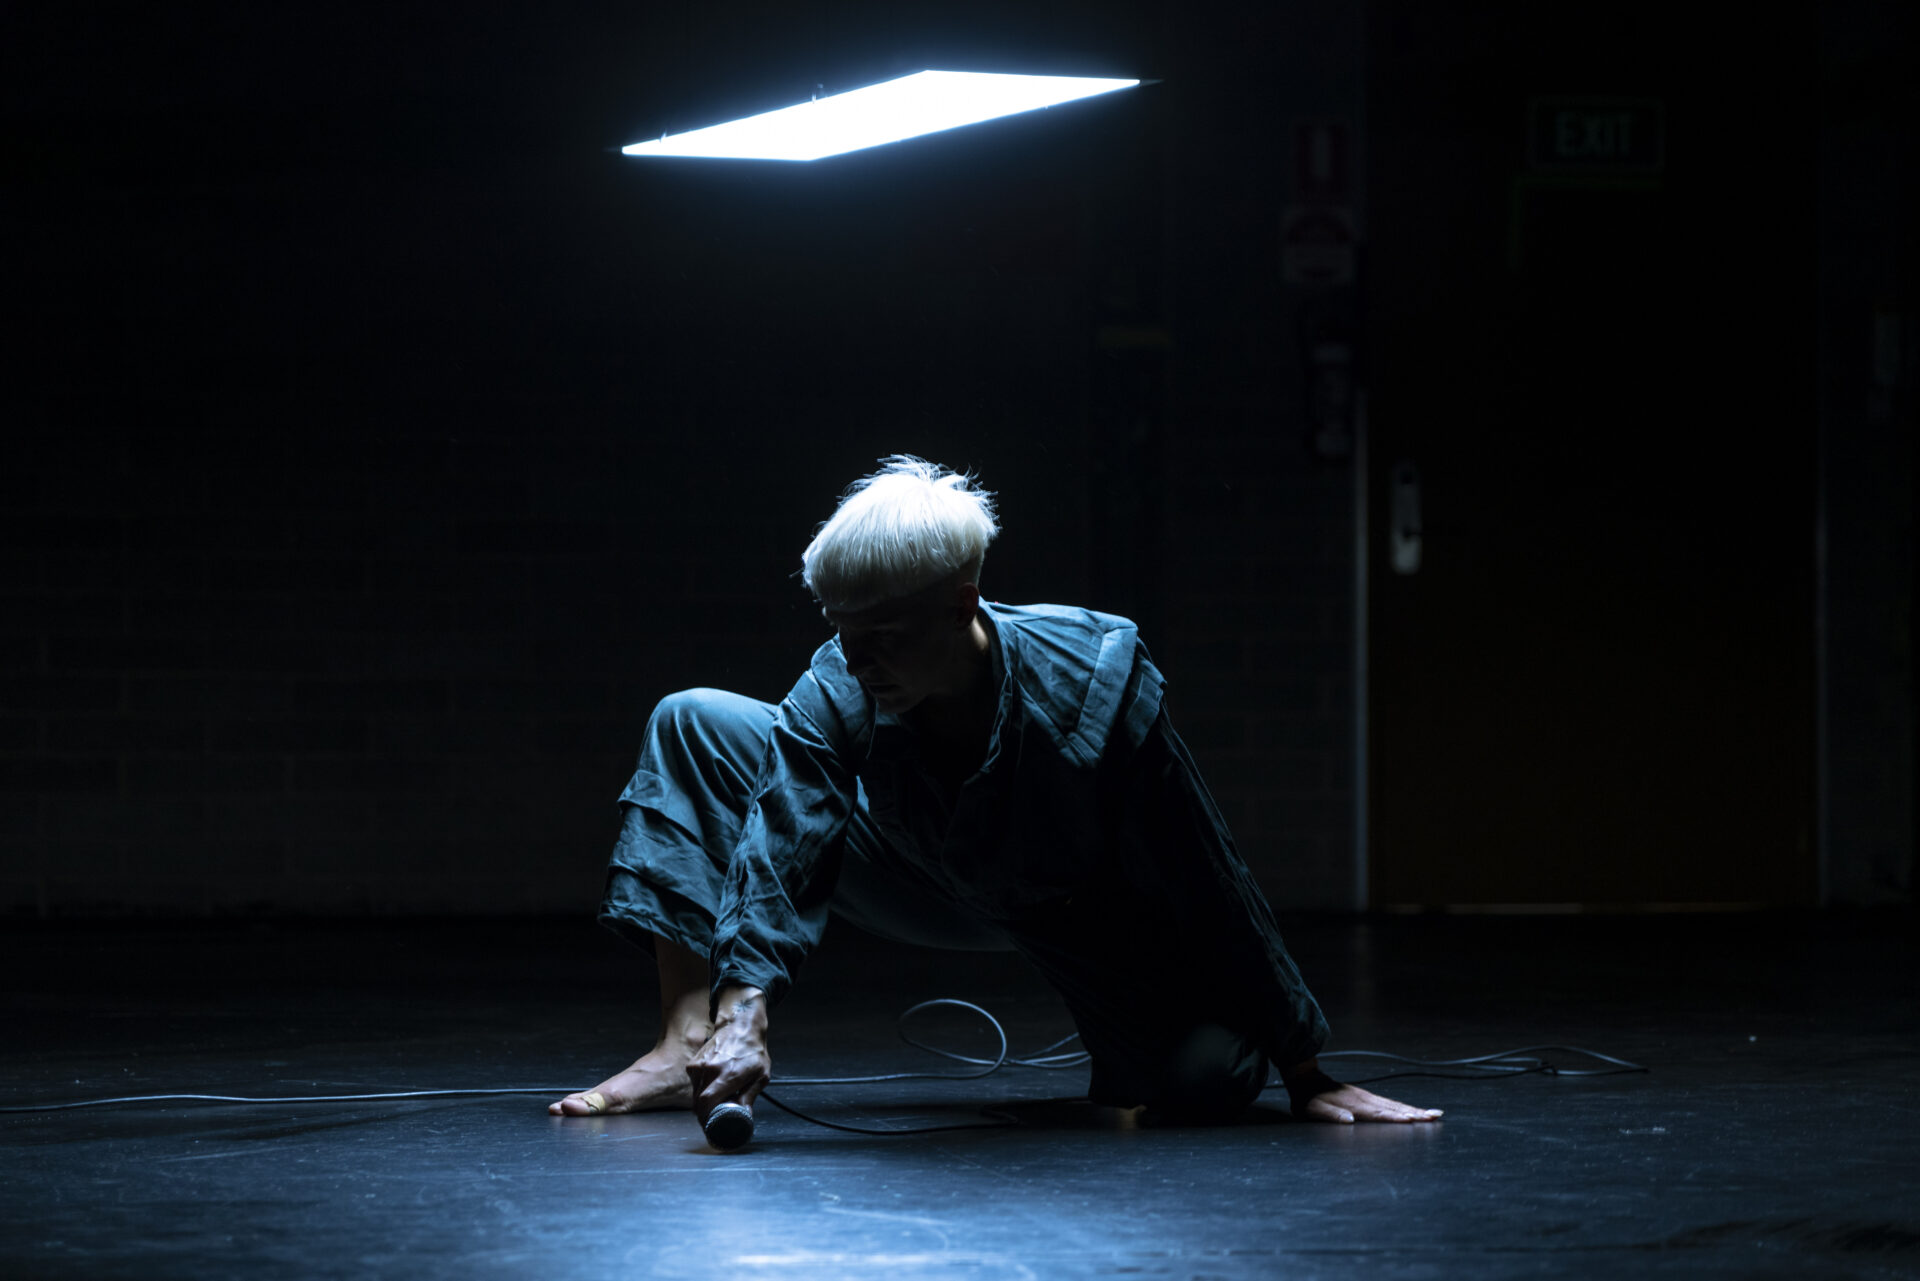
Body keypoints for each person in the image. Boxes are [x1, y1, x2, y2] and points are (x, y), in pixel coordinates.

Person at [552, 456, 1440, 1128]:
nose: (860, 663)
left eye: (887, 638)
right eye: (844, 635)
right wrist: (743, 1012)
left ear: (964, 601)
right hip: (916, 869)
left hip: (1076, 911)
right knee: (694, 718)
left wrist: (1304, 1064)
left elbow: (1207, 870)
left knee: (1199, 1084)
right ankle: (686, 1041)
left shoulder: (1096, 680)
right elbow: (785, 838)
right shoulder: (845, 677)